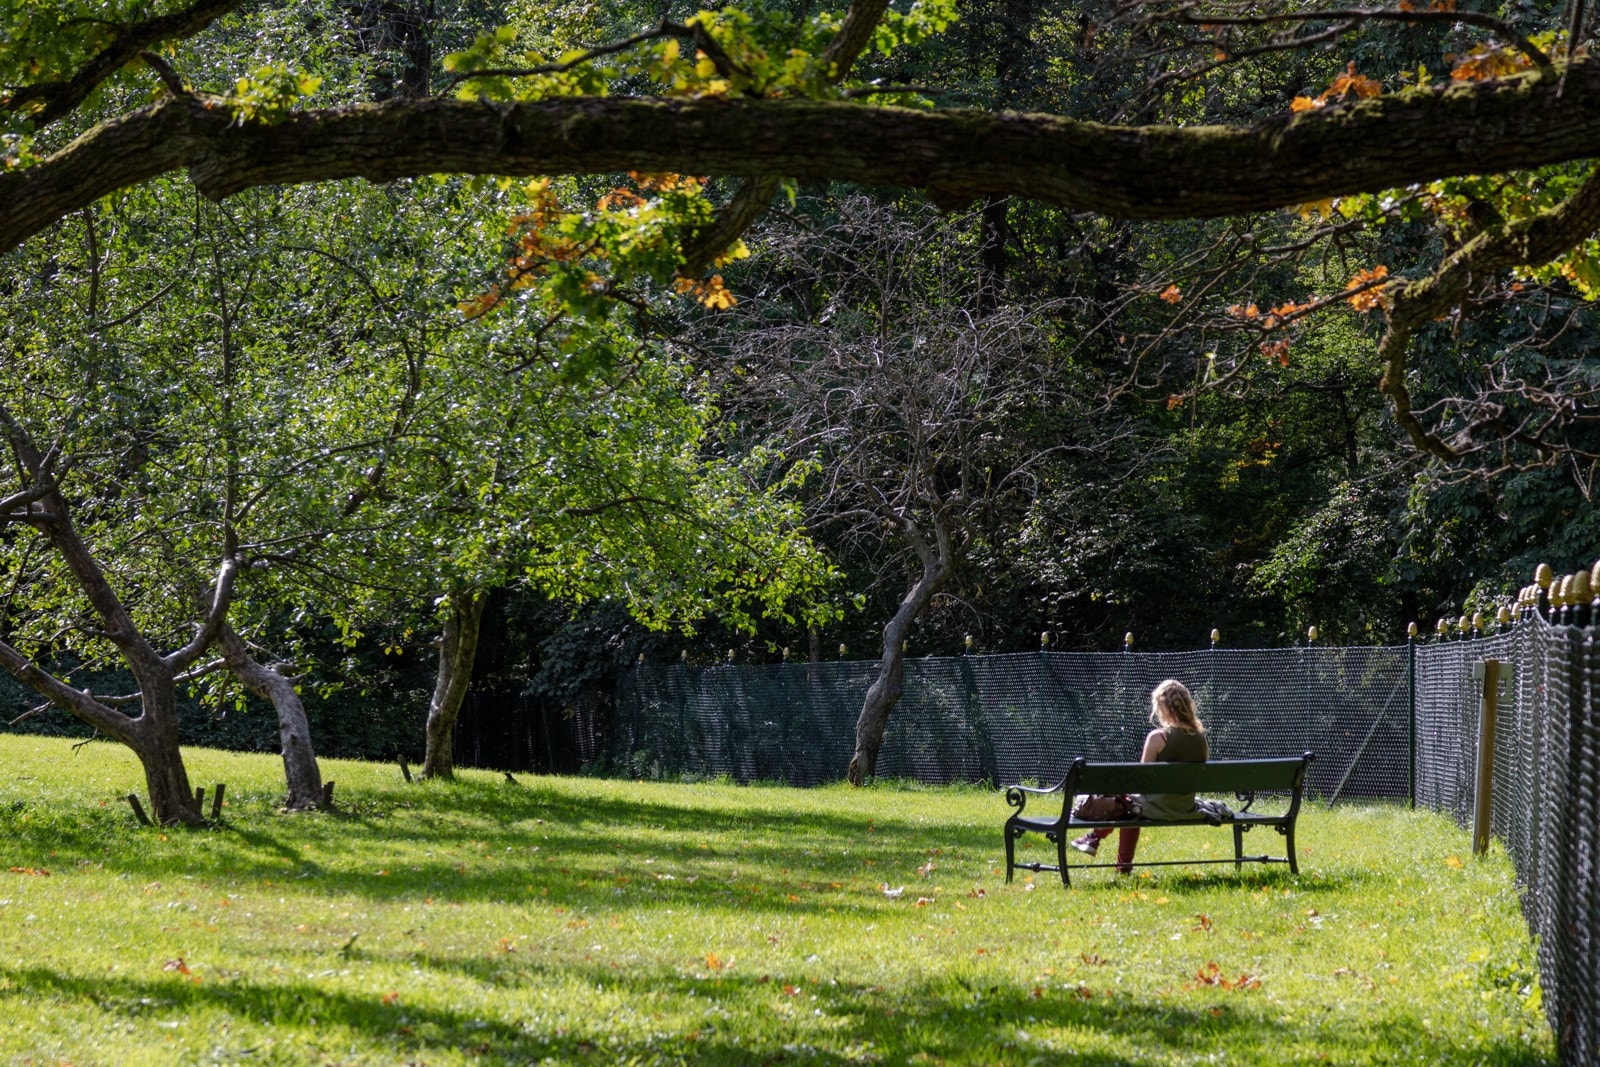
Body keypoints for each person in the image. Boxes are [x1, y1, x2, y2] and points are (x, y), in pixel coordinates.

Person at [1070, 678, 1209, 873]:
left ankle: (1098, 842)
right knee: (1131, 805)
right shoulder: (1201, 739)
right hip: (1185, 806)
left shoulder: (1158, 737)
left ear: (1162, 706)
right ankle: (1100, 845)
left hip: (1157, 807)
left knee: (1128, 806)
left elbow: (1141, 781)